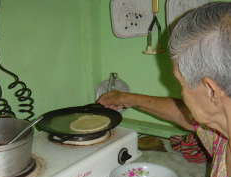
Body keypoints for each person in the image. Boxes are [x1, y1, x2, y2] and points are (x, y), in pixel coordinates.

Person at [97, 2, 231, 177]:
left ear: (211, 90)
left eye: (180, 83)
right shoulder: (222, 131)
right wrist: (125, 98)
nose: (181, 92)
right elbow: (187, 116)